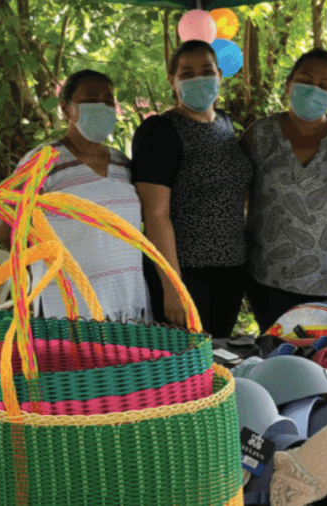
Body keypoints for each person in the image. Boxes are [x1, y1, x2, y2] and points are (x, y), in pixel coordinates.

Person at [0, 69, 150, 322]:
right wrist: (51, 271)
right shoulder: (41, 161)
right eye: (90, 99)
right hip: (69, 308)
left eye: (109, 100)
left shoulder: (123, 164)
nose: (102, 106)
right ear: (66, 109)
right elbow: (7, 233)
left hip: (127, 303)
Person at [240, 48, 327, 333]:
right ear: (288, 84)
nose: (314, 90)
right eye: (305, 80)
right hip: (269, 280)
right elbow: (240, 196)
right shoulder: (258, 135)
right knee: (277, 360)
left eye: (325, 85)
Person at [130, 40, 254, 338]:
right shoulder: (159, 132)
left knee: (219, 359)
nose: (198, 78)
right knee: (186, 369)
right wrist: (173, 286)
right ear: (172, 81)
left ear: (220, 76)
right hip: (185, 274)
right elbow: (156, 215)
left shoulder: (226, 124)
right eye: (187, 73)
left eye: (206, 70)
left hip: (230, 271)